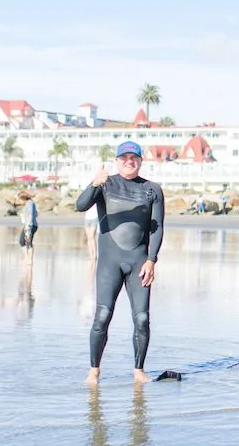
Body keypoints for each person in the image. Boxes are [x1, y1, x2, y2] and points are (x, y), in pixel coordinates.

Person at [76, 141, 166, 385]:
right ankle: (94, 371)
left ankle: (138, 371)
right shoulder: (106, 183)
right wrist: (94, 182)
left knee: (142, 319)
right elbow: (80, 205)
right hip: (109, 263)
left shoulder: (152, 190)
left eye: (133, 157)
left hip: (139, 263)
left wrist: (151, 260)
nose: (129, 161)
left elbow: (157, 229)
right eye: (124, 157)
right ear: (117, 161)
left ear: (140, 161)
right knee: (102, 316)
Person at [17, 192, 38, 264]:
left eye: (19, 199)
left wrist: (28, 226)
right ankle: (26, 257)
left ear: (23, 198)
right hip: (28, 225)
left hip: (30, 226)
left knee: (28, 242)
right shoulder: (29, 204)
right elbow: (36, 214)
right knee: (21, 241)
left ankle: (30, 260)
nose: (19, 201)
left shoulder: (30, 203)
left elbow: (31, 215)